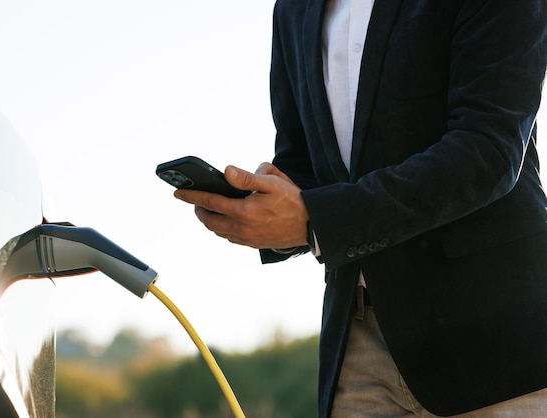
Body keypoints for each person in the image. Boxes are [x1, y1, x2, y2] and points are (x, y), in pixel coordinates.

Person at [174, 0, 547, 417]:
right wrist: (266, 210)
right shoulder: (293, 10)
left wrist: (318, 219)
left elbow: (488, 151)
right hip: (356, 342)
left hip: (494, 339)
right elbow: (305, 167)